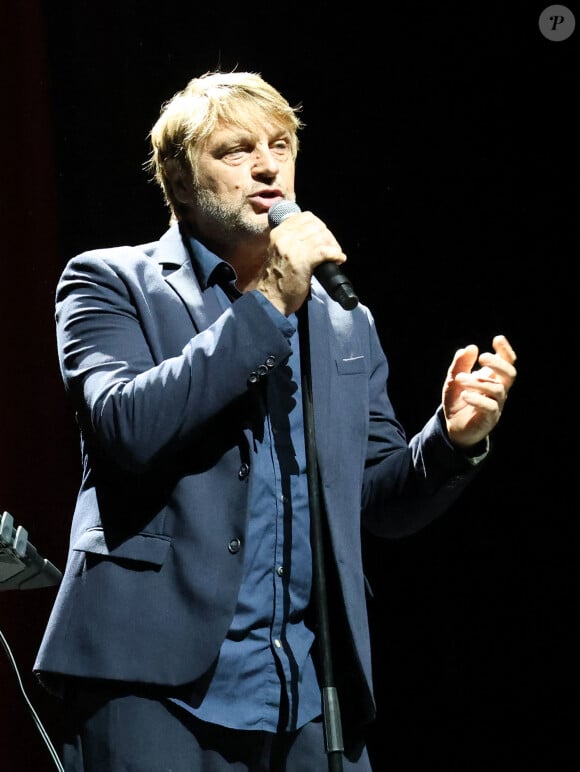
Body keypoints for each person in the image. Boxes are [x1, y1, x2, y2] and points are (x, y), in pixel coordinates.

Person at [34, 70, 517, 771]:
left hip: (307, 691)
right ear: (176, 179)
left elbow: (375, 505)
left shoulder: (343, 319)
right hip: (150, 682)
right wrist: (267, 302)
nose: (266, 165)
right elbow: (129, 427)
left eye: (280, 144)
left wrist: (449, 443)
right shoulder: (109, 282)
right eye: (234, 150)